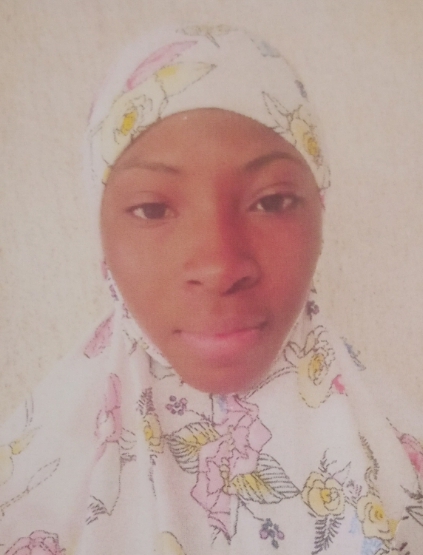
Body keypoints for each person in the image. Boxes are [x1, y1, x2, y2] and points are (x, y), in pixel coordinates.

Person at [0, 25, 422, 555]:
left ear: (319, 210)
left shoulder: (403, 477)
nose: (221, 266)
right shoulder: (29, 498)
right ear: (99, 229)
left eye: (271, 202)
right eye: (152, 209)